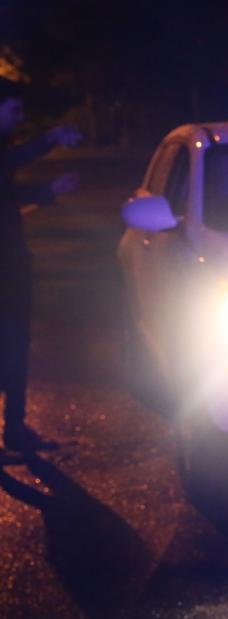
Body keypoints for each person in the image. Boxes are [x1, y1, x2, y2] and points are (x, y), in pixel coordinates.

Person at [0, 77, 80, 459]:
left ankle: (15, 427)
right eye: (13, 111)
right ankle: (14, 427)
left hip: (11, 261)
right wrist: (50, 138)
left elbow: (7, 193)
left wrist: (49, 192)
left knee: (16, 342)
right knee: (10, 340)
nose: (19, 118)